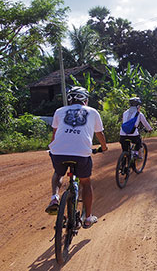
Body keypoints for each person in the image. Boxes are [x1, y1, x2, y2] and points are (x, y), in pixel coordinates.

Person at [46, 86, 108, 229]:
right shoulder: (93, 112)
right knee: (85, 183)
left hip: (58, 152)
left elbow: (55, 134)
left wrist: (54, 147)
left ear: (70, 99)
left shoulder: (60, 111)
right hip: (82, 154)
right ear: (85, 100)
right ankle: (88, 218)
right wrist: (104, 147)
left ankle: (54, 198)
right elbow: (100, 135)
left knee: (58, 173)